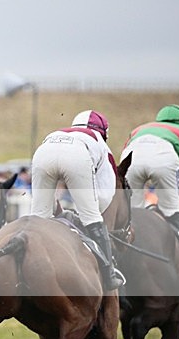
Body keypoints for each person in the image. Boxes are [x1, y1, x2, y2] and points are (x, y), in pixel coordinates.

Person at [30, 110, 124, 290]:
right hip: (76, 155)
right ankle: (109, 274)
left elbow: (46, 200)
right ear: (104, 132)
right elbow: (106, 192)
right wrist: (86, 216)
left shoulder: (60, 132)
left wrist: (54, 210)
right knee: (93, 218)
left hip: (43, 151)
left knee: (38, 218)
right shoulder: (100, 143)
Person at [121, 104, 179, 277]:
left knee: (131, 215)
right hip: (163, 159)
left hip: (131, 157)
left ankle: (117, 262)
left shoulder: (139, 129)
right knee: (174, 212)